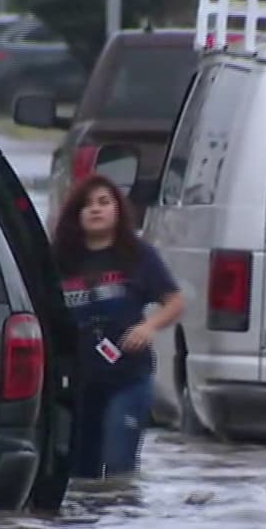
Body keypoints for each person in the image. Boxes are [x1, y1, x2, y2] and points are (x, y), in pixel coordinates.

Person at [52, 174, 185, 480]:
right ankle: (86, 526)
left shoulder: (138, 256)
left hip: (128, 377)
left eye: (103, 202)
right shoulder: (59, 259)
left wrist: (149, 327)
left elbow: (175, 302)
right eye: (86, 205)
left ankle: (121, 521)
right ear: (75, 215)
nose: (95, 210)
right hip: (77, 383)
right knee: (78, 475)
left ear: (118, 210)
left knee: (118, 468)